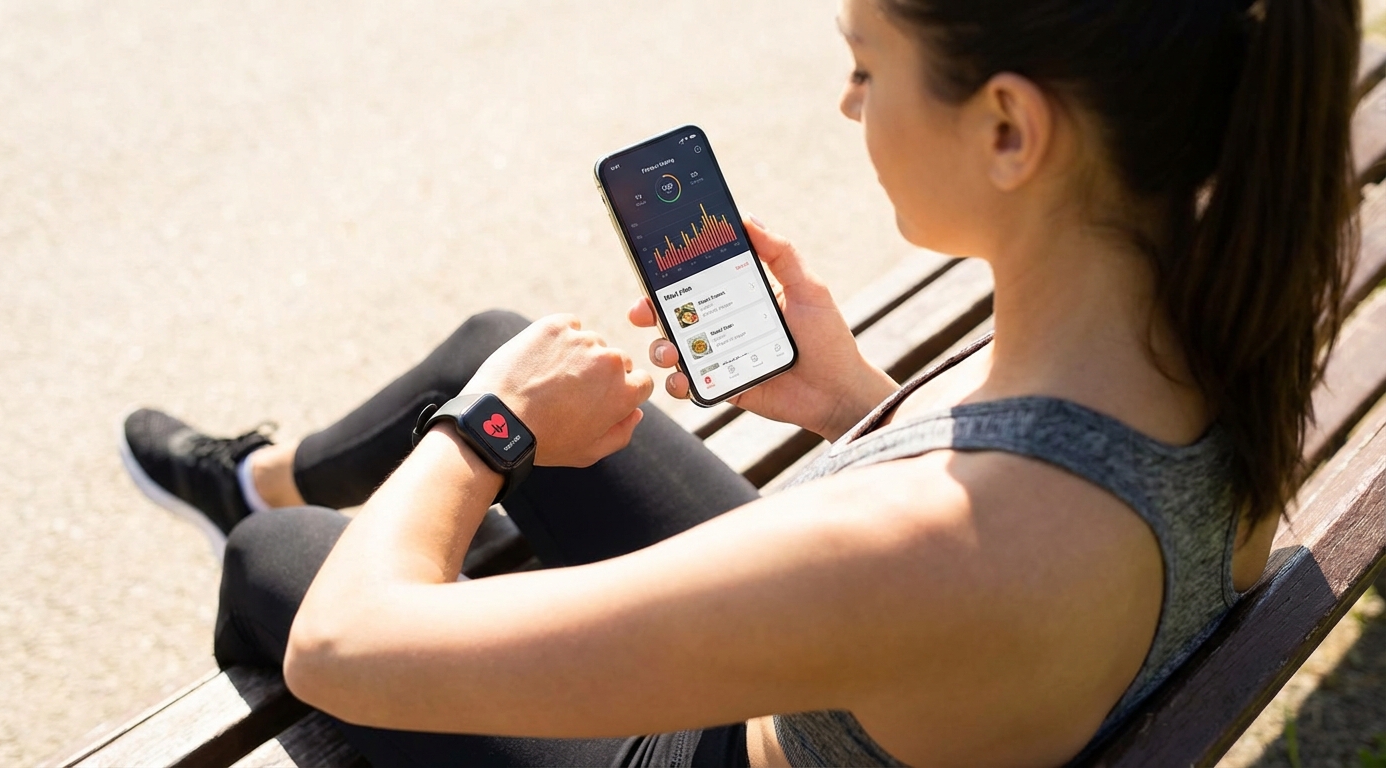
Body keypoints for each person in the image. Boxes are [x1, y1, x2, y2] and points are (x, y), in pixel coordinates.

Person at [119, 0, 1360, 765]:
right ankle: (257, 470)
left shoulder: (921, 546)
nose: (846, 102)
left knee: (282, 563)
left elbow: (347, 646)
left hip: (726, 746)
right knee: (506, 337)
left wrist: (486, 431)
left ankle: (266, 501)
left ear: (1006, 129)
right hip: (899, 665)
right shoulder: (1218, 344)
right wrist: (845, 404)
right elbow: (987, 554)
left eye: (867, 65)